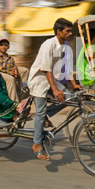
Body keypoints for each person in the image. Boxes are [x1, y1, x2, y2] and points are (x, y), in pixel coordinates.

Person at [28, 18, 81, 160]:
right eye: (67, 31)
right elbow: (46, 69)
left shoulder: (66, 47)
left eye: (71, 30)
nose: (70, 33)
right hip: (39, 79)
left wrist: (73, 84)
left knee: (69, 98)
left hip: (52, 79)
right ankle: (37, 144)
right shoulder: (48, 45)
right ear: (59, 31)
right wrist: (56, 90)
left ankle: (46, 114)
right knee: (40, 111)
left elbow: (67, 68)